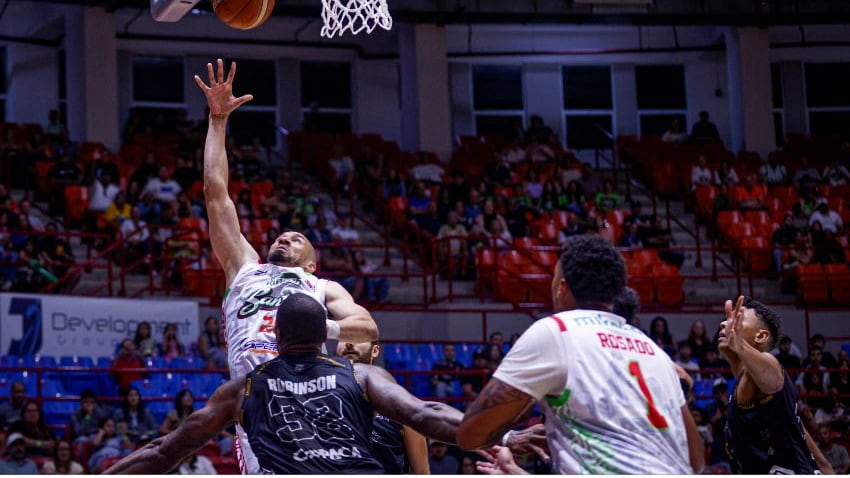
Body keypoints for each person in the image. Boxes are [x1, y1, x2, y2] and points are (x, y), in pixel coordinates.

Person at [103, 293, 462, 474]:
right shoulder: (363, 375)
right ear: (325, 337)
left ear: (276, 336)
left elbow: (164, 451)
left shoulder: (242, 389)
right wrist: (491, 432)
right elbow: (426, 413)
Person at [456, 234, 703, 474]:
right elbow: (696, 460)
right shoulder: (655, 351)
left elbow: (471, 434)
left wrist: (515, 422)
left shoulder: (556, 331)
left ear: (562, 287)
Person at [718, 295, 833, 474]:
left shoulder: (768, 366)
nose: (724, 323)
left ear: (761, 336)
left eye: (738, 318)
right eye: (727, 318)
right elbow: (798, 430)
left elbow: (772, 379)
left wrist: (740, 345)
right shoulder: (742, 380)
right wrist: (826, 468)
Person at [337, 340, 430, 474]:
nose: (350, 343)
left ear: (375, 351)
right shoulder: (319, 403)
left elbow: (421, 473)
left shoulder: (404, 407)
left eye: (359, 338)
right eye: (344, 337)